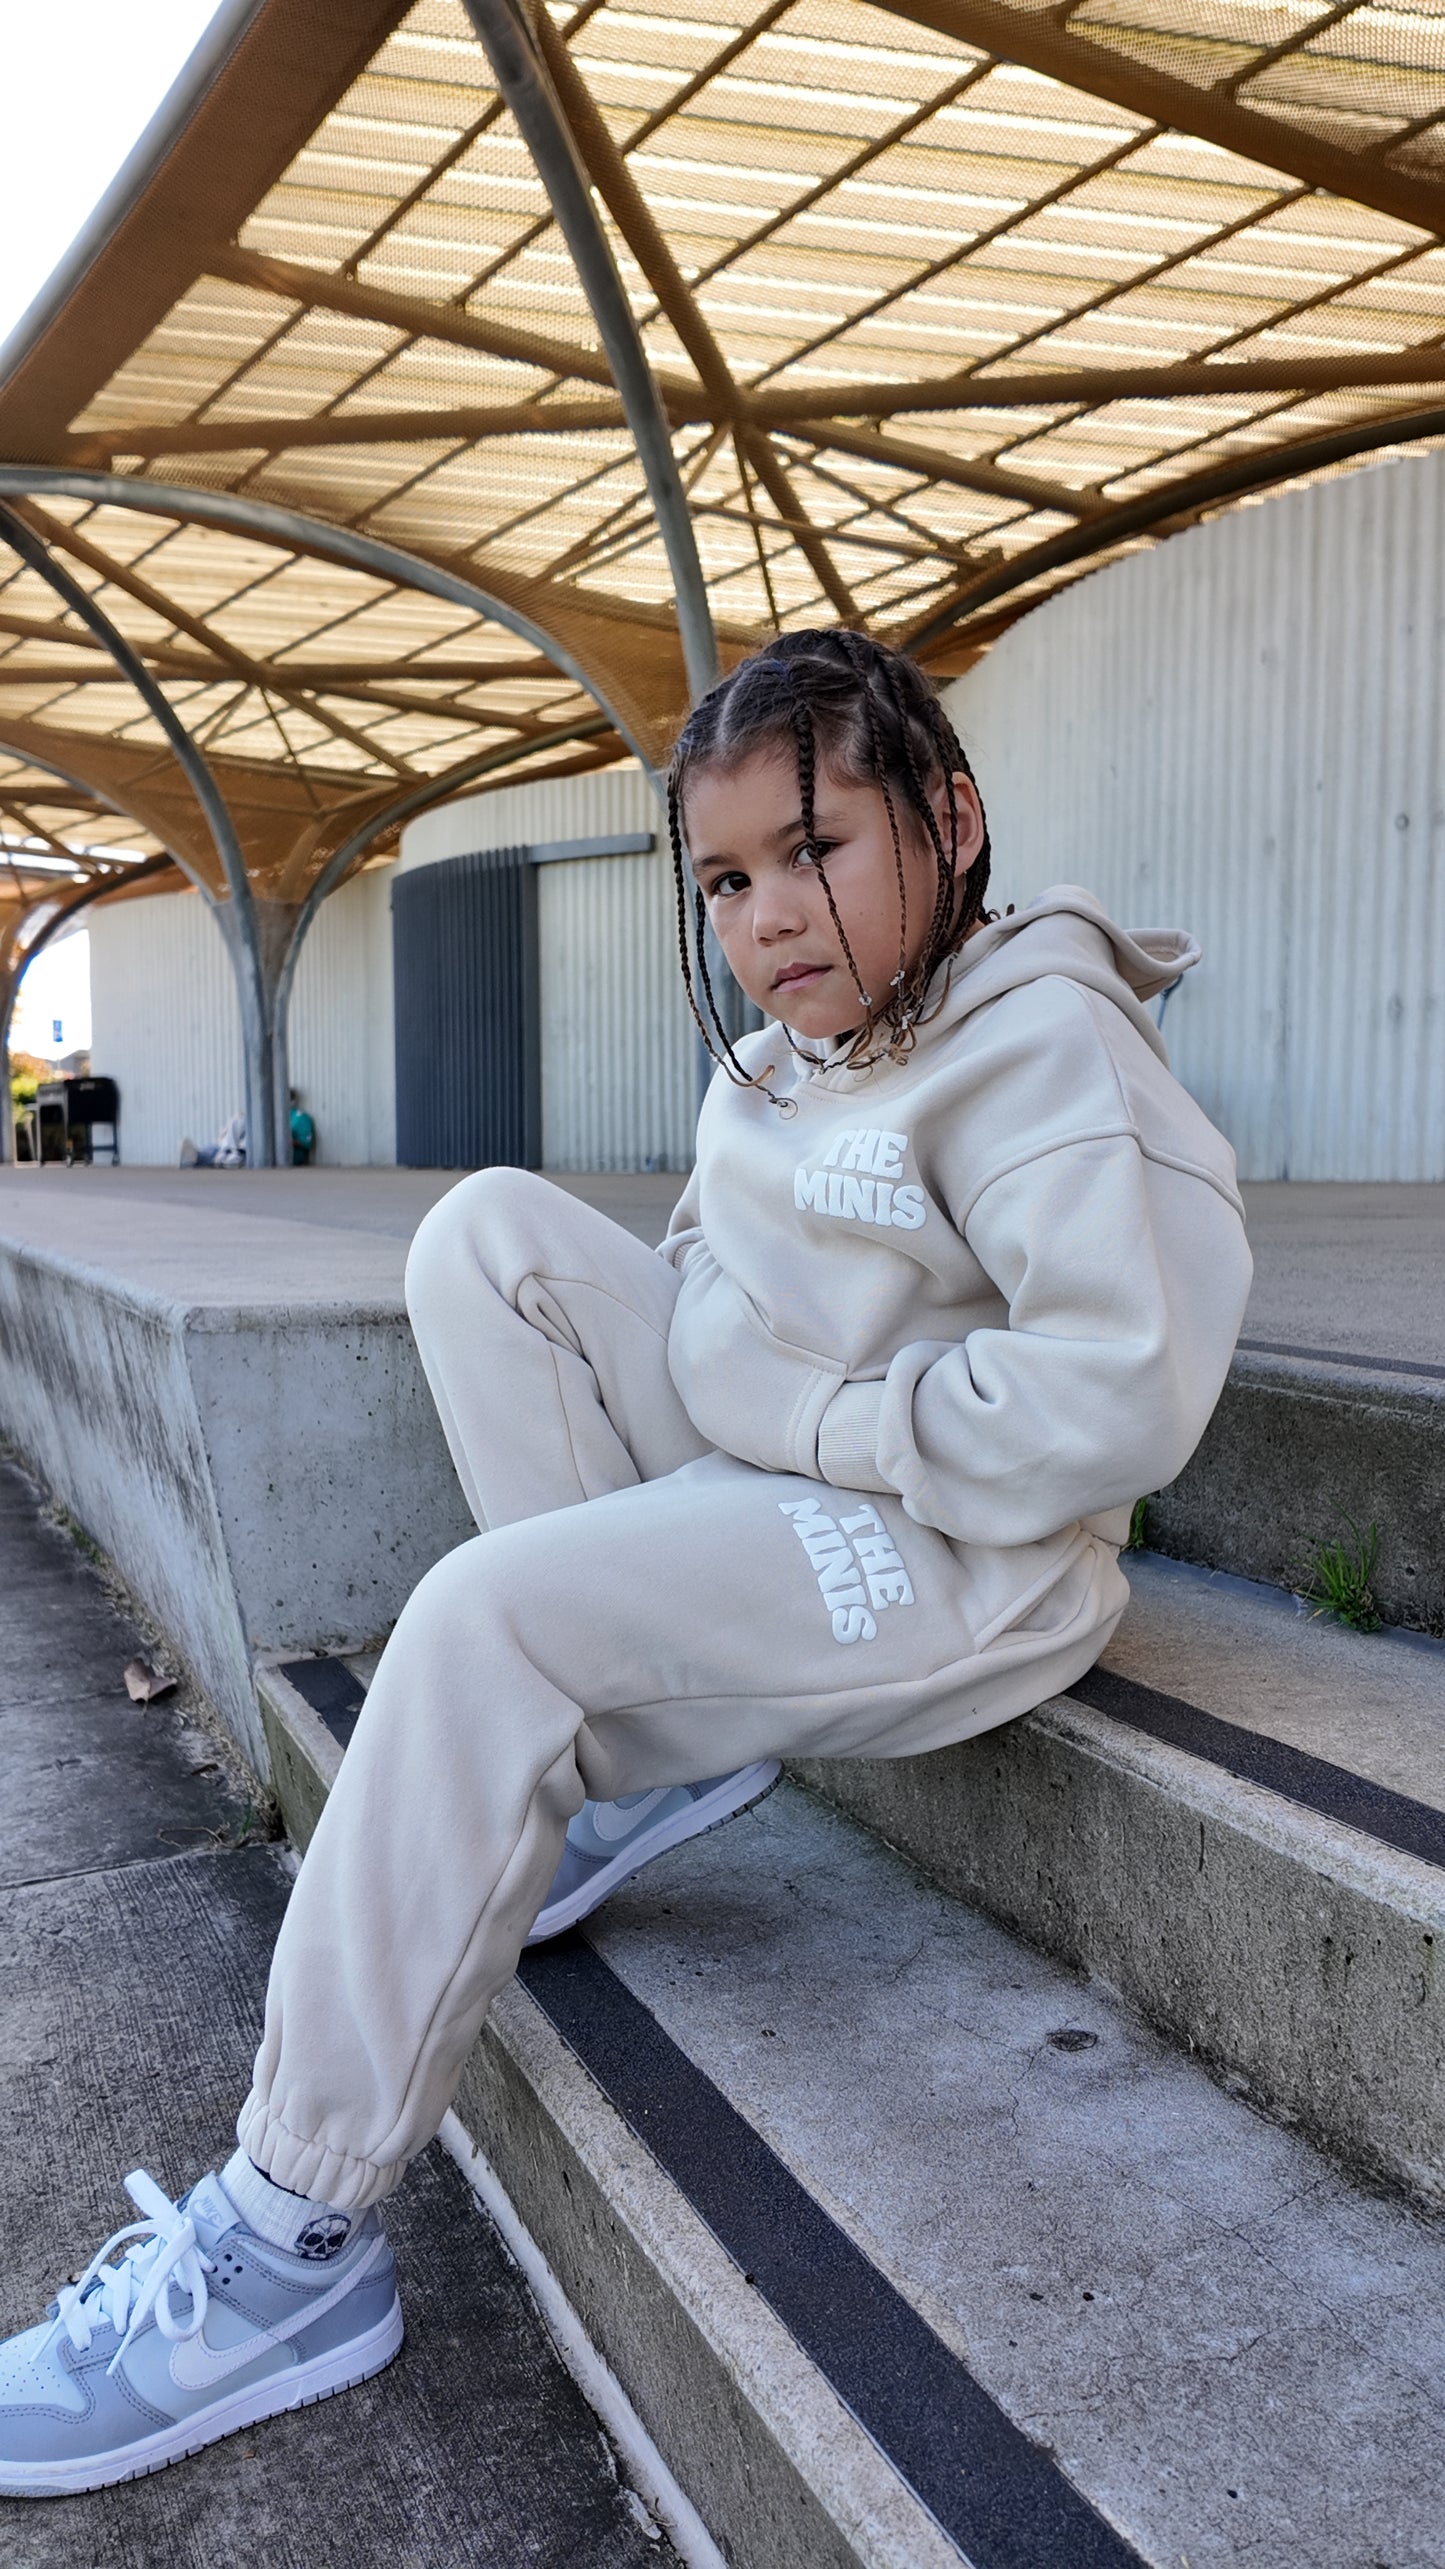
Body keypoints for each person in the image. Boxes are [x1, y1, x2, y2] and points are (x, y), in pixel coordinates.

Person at [0, 632, 1253, 2497]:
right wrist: (749, 1384)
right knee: (484, 1233)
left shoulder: (1050, 1048)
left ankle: (286, 2248)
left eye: (815, 848)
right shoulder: (777, 1057)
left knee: (482, 1620)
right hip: (793, 1468)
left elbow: (1119, 1392)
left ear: (953, 815)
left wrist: (817, 1415)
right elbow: (707, 1274)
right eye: (728, 876)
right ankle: (640, 1755)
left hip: (969, 1553)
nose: (769, 913)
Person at [179, 1113, 246, 1168]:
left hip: (233, 1151)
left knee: (215, 1153)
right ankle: (195, 1158)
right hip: (225, 1149)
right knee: (214, 1151)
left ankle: (196, 1159)